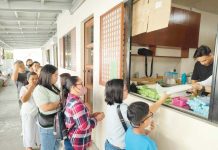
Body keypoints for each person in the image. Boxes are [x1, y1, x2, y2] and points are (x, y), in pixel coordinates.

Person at [104, 79, 169, 150]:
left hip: (109, 143)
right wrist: (162, 99)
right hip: (118, 147)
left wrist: (147, 131)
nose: (127, 91)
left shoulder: (110, 104)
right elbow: (144, 113)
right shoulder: (122, 108)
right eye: (125, 90)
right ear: (117, 93)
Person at [63, 76, 105, 150]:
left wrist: (92, 115)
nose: (83, 86)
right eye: (81, 84)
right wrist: (97, 119)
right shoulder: (76, 103)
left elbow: (78, 118)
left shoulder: (72, 98)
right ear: (73, 87)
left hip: (72, 139)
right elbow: (84, 125)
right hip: (76, 142)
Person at [32, 64, 61, 150]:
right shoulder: (39, 89)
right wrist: (60, 103)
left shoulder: (53, 86)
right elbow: (45, 107)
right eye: (55, 75)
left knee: (56, 147)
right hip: (48, 126)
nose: (57, 77)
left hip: (56, 124)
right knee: (48, 148)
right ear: (48, 75)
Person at [20, 72, 40, 150]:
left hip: (38, 112)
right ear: (28, 80)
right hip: (27, 113)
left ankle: (40, 144)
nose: (35, 80)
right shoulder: (24, 88)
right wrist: (30, 89)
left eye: (36, 78)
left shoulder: (39, 87)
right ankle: (28, 146)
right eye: (33, 79)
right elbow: (24, 100)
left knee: (38, 129)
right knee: (28, 130)